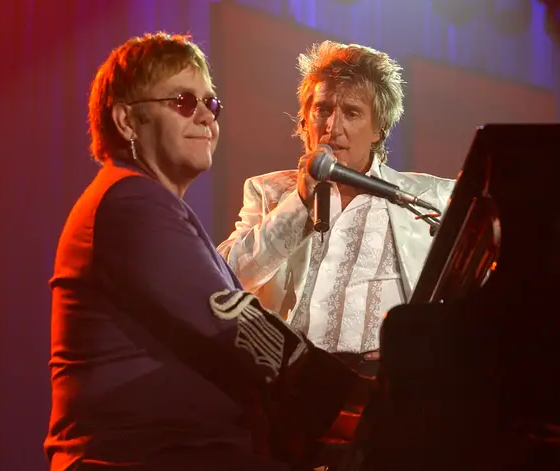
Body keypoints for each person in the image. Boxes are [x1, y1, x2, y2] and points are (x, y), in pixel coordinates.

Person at [44, 32, 368, 471]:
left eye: (211, 104)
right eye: (183, 102)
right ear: (126, 121)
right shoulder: (131, 203)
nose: (205, 117)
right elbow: (237, 326)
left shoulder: (143, 202)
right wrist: (364, 403)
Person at [217, 41, 455, 365]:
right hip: (289, 386)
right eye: (323, 110)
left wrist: (417, 348)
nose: (333, 127)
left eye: (352, 113)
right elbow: (224, 279)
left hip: (385, 389)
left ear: (379, 128)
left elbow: (463, 301)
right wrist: (299, 201)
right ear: (305, 120)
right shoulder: (268, 192)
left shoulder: (429, 198)